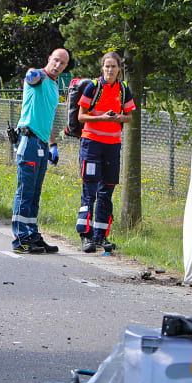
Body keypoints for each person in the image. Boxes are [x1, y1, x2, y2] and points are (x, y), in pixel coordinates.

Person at [75, 52, 137, 253]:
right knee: (90, 190)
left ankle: (101, 236)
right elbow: (81, 116)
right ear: (102, 68)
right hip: (92, 143)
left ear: (119, 69)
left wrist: (117, 117)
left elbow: (129, 116)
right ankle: (86, 236)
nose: (110, 70)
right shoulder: (94, 87)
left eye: (113, 66)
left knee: (106, 191)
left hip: (113, 145)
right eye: (107, 66)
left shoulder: (123, 89)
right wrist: (101, 117)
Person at [11, 48, 70, 254]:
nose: (58, 65)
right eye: (56, 60)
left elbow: (49, 118)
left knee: (35, 192)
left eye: (62, 63)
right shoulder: (40, 78)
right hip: (29, 140)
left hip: (42, 143)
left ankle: (32, 234)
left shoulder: (54, 86)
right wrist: (33, 73)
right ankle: (20, 239)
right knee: (25, 190)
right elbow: (32, 76)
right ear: (49, 59)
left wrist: (53, 145)